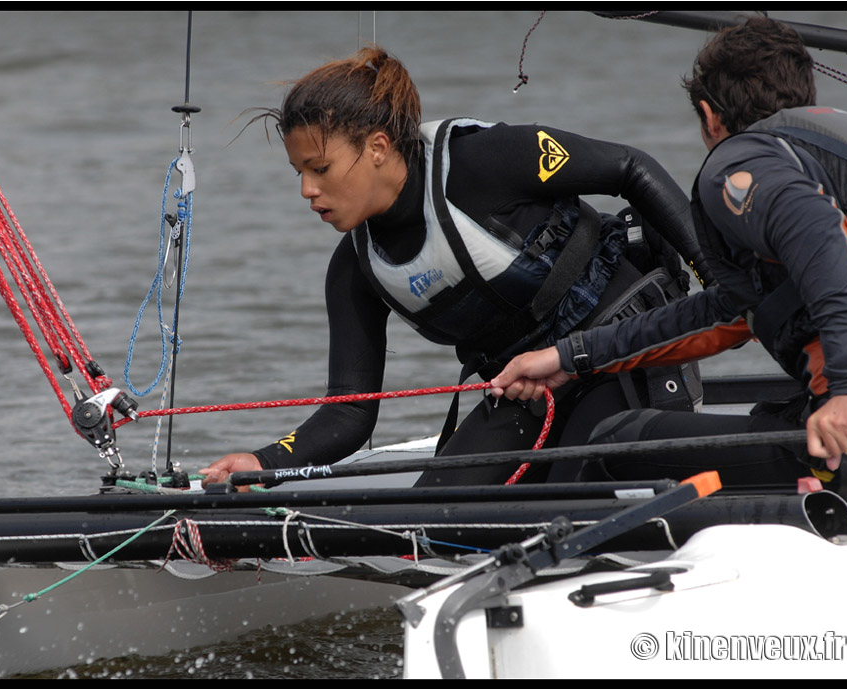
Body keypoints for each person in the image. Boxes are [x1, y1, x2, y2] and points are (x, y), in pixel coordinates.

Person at [200, 45, 713, 489]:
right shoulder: (356, 271)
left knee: (564, 494)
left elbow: (630, 168)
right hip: (528, 389)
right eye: (299, 173)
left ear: (377, 147)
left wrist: (722, 284)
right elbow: (351, 411)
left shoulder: (481, 163)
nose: (307, 190)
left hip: (621, 351)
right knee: (428, 518)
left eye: (321, 168)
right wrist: (264, 461)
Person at [490, 17, 847, 514]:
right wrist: (567, 357)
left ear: (710, 117)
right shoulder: (839, 148)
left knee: (611, 445)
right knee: (772, 418)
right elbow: (722, 313)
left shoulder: (741, 163)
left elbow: (820, 239)